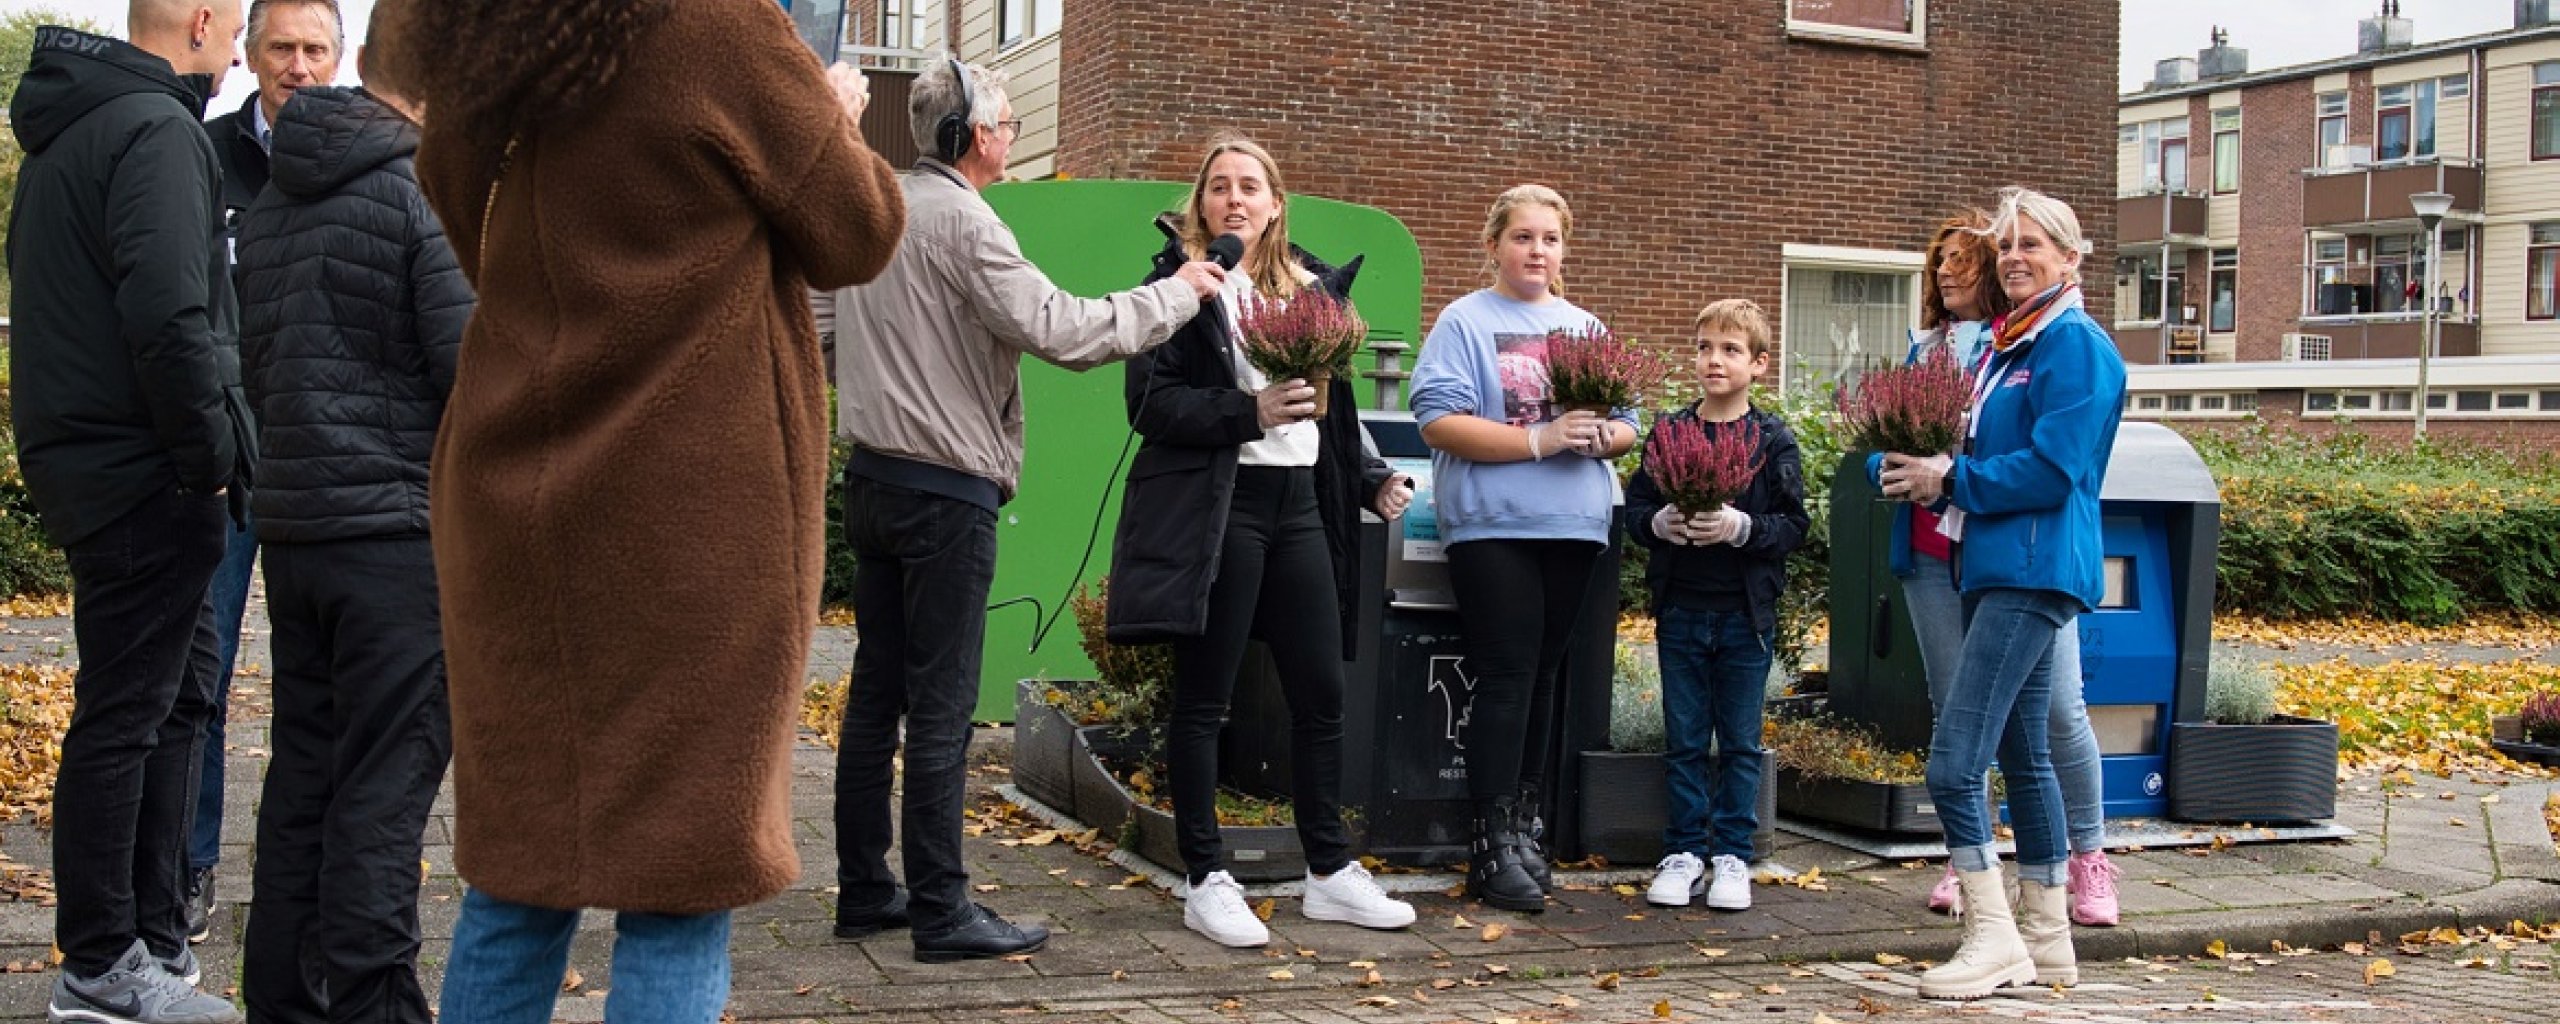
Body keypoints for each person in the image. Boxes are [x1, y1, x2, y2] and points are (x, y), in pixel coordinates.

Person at [400, 0, 905, 1018]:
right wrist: (832, 108)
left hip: (511, 494)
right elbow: (857, 231)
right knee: (682, 878)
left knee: (518, 874)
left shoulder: (488, 31)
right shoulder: (721, 28)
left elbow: (459, 213)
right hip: (688, 514)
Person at [827, 56, 1225, 963]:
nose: (1010, 137)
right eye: (1004, 123)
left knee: (875, 697)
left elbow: (821, 328)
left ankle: (864, 890)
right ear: (972, 136)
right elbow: (1067, 331)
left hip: (875, 484)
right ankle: (941, 911)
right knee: (941, 708)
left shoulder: (878, 208)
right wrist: (1179, 292)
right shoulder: (968, 222)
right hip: (942, 494)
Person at [1102, 137, 1419, 948]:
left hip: (1301, 509)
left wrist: (1369, 478)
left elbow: (1333, 416)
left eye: (1250, 186)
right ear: (1201, 205)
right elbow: (1151, 404)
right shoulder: (1181, 287)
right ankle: (1205, 877)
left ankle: (1328, 873)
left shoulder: (1312, 290)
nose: (1235, 198)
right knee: (1207, 699)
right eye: (1219, 187)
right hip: (1224, 506)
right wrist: (1247, 416)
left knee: (1321, 693)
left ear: (1276, 202)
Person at [9, 1, 253, 1019]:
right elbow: (168, 312)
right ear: (201, 19)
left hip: (99, 466)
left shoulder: (79, 127)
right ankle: (104, 969)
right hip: (145, 477)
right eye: (238, 28)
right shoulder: (155, 130)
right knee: (127, 717)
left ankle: (152, 942)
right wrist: (209, 459)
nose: (239, 50)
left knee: (178, 700)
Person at [232, 19, 468, 1019]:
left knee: (306, 781)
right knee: (384, 785)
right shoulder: (416, 191)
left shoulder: (277, 199)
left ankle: (283, 998)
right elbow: (471, 374)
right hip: (394, 545)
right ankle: (375, 1004)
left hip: (295, 539)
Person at [1878, 187, 2126, 1000]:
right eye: (2007, 245)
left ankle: (1994, 940)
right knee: (2025, 758)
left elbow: (2057, 471)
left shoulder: (2074, 347)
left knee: (1954, 763)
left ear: (2070, 257)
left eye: (2033, 245)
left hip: (2033, 570)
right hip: (1991, 567)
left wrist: (1950, 475)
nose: (2015, 257)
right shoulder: (2012, 347)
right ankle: (2048, 942)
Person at [1408, 184, 1635, 914]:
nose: (1538, 251)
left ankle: (1524, 830)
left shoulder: (1584, 324)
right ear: (1494, 246)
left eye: (1550, 239)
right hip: (1494, 524)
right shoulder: (1464, 321)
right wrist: (1538, 438)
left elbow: (1629, 422)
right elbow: (1438, 422)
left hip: (1575, 524)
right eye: (1523, 238)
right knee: (1505, 676)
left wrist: (1608, 436)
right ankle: (1487, 845)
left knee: (1542, 677)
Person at [186, 0, 345, 944]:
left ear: (342, 55)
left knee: (316, 689)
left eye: (314, 49)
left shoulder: (378, 163)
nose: (297, 66)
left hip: (327, 469)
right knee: (198, 679)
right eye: (280, 48)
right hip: (225, 467)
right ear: (249, 52)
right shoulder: (204, 158)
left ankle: (309, 879)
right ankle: (191, 867)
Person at [1624, 299, 1808, 914]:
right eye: (1704, 347)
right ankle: (1681, 852)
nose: (1714, 360)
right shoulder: (1671, 432)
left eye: (1730, 350)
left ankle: (1732, 854)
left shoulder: (1772, 438)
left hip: (1744, 616)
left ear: (1758, 364)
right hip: (1681, 610)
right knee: (1682, 738)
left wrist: (1741, 528)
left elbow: (1792, 526)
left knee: (1739, 740)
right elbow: (1634, 511)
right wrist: (1660, 524)